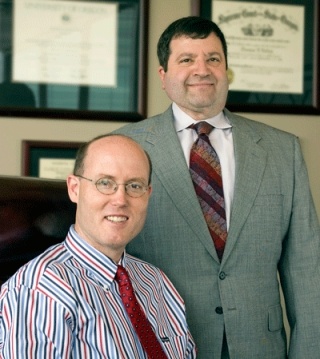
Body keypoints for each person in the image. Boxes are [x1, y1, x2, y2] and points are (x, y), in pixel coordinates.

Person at [113, 16, 320, 358]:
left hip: (260, 348)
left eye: (213, 59)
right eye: (186, 59)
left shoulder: (283, 150)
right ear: (163, 76)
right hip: (159, 343)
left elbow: (307, 271)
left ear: (227, 70)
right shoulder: (123, 147)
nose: (202, 69)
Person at [0, 134, 196, 358]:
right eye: (105, 183)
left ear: (148, 195)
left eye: (134, 185)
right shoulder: (40, 290)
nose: (121, 200)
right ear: (75, 188)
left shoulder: (157, 283)